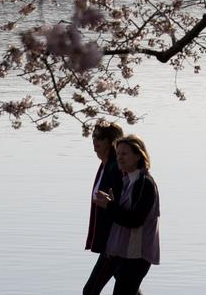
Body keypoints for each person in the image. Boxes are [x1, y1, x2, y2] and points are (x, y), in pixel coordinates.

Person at [94, 135, 160, 295]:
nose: (119, 158)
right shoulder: (127, 181)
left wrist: (109, 206)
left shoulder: (145, 183)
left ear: (138, 155)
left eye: (124, 154)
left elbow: (135, 220)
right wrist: (111, 204)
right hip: (122, 250)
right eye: (117, 154)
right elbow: (122, 215)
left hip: (137, 254)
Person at [83, 121, 125, 295]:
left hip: (114, 242)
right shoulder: (106, 165)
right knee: (128, 289)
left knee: (90, 290)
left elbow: (120, 205)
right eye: (93, 137)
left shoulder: (115, 168)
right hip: (112, 241)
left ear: (111, 141)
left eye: (99, 138)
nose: (95, 142)